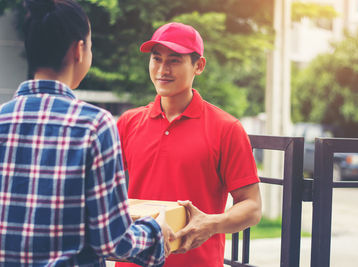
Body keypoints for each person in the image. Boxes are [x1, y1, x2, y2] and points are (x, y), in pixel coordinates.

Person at [0, 0, 174, 266]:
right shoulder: (94, 125)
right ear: (79, 50)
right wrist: (155, 231)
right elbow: (113, 241)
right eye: (90, 45)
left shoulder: (2, 119)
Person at [116, 22, 262, 267]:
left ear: (199, 65)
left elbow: (252, 206)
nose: (163, 69)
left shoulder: (226, 128)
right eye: (156, 59)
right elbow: (103, 191)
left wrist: (211, 224)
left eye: (174, 60)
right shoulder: (129, 123)